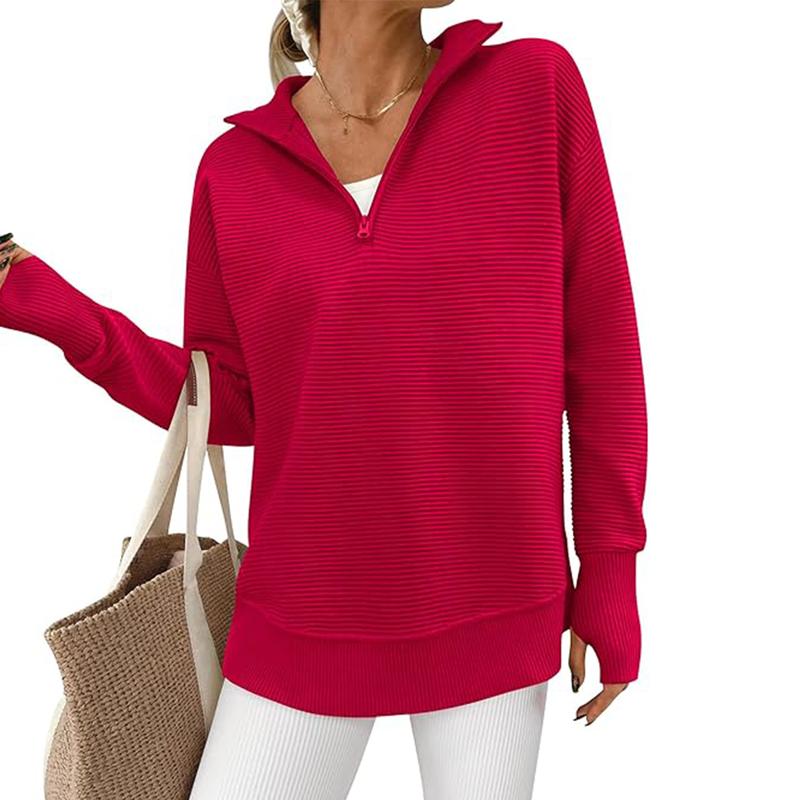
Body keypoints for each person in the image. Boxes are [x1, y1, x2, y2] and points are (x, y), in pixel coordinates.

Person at [0, 1, 648, 797]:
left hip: (492, 601)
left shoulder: (529, 88)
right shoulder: (234, 171)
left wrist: (611, 568)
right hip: (299, 614)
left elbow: (602, 351)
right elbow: (228, 401)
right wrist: (56, 311)